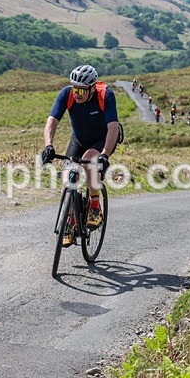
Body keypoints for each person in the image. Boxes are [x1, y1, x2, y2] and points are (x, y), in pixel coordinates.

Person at [41, 65, 120, 246]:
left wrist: (105, 155)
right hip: (79, 138)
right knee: (68, 176)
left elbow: (113, 127)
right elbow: (52, 121)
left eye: (81, 90)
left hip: (103, 139)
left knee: (90, 160)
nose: (76, 94)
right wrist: (48, 146)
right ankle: (69, 222)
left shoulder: (105, 94)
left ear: (92, 88)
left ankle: (94, 205)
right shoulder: (67, 94)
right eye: (74, 88)